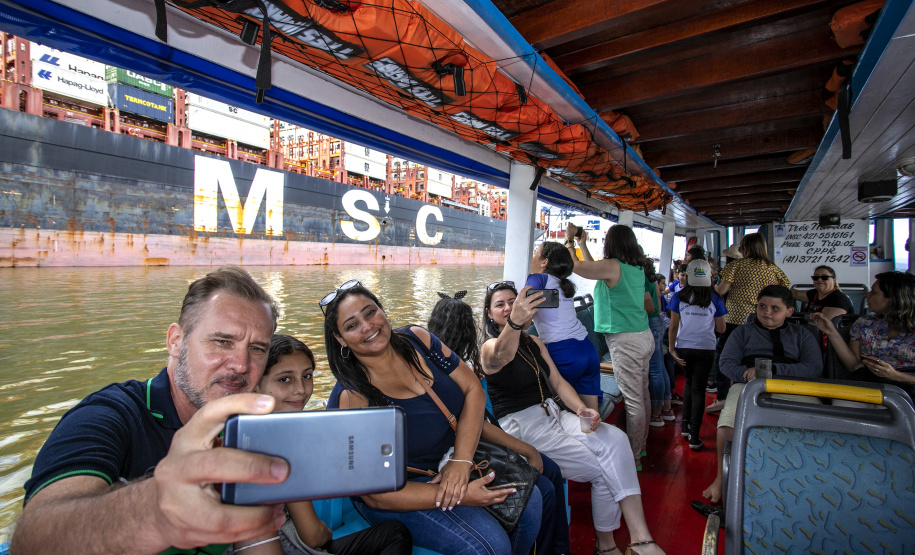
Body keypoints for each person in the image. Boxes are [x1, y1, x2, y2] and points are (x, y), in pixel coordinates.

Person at [13, 266, 292, 553]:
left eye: (257, 349)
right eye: (222, 342)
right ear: (175, 341)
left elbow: (255, 542)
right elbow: (33, 538)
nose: (241, 364)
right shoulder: (109, 415)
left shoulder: (242, 429)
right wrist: (154, 511)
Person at [321, 281, 543, 555]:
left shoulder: (418, 340)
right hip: (400, 491)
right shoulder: (352, 398)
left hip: (452, 459)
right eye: (351, 325)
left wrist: (460, 462)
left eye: (370, 312)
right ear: (341, 339)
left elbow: (473, 388)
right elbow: (374, 494)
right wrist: (462, 494)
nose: (367, 326)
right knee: (489, 546)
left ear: (382, 310)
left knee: (530, 502)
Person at [481, 281, 665, 555]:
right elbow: (502, 355)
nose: (508, 308)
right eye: (500, 304)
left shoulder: (534, 342)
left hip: (554, 415)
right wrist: (516, 323)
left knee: (617, 439)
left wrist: (581, 409)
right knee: (603, 469)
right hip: (524, 428)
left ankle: (640, 537)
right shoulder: (489, 346)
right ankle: (608, 545)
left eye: (513, 301)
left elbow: (558, 382)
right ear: (489, 313)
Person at [236, 334, 413, 555]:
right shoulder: (280, 442)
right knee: (395, 535)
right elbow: (312, 536)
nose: (301, 389)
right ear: (256, 384)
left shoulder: (246, 427)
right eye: (285, 379)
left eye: (307, 376)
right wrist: (325, 532)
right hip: (290, 548)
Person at [428, 292, 570, 555]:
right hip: (477, 448)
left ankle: (556, 548)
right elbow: (479, 427)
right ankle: (552, 548)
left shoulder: (449, 366)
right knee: (545, 486)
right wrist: (528, 450)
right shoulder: (458, 373)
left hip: (478, 442)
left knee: (550, 472)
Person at [698, 285, 822, 507]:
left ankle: (808, 479)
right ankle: (721, 477)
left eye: (776, 308)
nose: (767, 312)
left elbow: (813, 368)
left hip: (793, 387)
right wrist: (745, 375)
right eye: (762, 306)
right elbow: (726, 364)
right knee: (727, 425)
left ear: (789, 312)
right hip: (750, 385)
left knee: (815, 424)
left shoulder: (802, 335)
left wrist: (773, 372)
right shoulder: (742, 333)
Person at [566, 224, 654, 469]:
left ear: (611, 243)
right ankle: (643, 445)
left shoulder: (614, 266)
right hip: (643, 337)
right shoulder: (634, 268)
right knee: (642, 394)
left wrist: (570, 242)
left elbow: (578, 266)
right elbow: (596, 268)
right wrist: (583, 244)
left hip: (626, 342)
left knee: (634, 400)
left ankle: (634, 456)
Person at [708, 233, 789, 413]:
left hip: (735, 319)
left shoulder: (735, 266)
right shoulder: (773, 269)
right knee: (755, 356)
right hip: (762, 320)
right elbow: (785, 290)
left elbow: (721, 290)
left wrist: (712, 288)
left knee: (725, 356)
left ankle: (724, 397)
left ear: (745, 249)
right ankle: (753, 396)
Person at [811, 271, 915, 398]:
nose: (867, 295)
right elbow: (853, 365)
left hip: (907, 393)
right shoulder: (865, 324)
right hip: (869, 387)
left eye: (874, 292)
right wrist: (831, 332)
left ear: (892, 299)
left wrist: (895, 375)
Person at [526, 241, 601, 411]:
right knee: (591, 416)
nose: (532, 255)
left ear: (544, 262)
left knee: (559, 414)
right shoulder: (561, 283)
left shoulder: (537, 278)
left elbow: (522, 320)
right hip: (587, 350)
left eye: (536, 251)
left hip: (563, 352)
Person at [667, 260, 727, 451]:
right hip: (706, 349)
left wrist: (671, 348)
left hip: (683, 347)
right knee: (699, 389)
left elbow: (674, 326)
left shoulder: (678, 296)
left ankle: (685, 427)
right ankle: (694, 436)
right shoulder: (715, 298)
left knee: (689, 383)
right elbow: (721, 328)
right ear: (709, 277)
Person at [642, 258, 674, 428]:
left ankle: (656, 414)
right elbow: (659, 307)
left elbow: (649, 307)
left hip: (649, 323)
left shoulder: (643, 281)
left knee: (654, 369)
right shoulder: (654, 281)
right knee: (660, 367)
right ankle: (667, 408)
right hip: (658, 323)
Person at [790, 265, 854, 320]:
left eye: (824, 277)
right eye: (816, 277)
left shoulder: (839, 299)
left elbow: (824, 325)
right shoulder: (814, 294)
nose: (819, 280)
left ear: (834, 280)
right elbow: (795, 294)